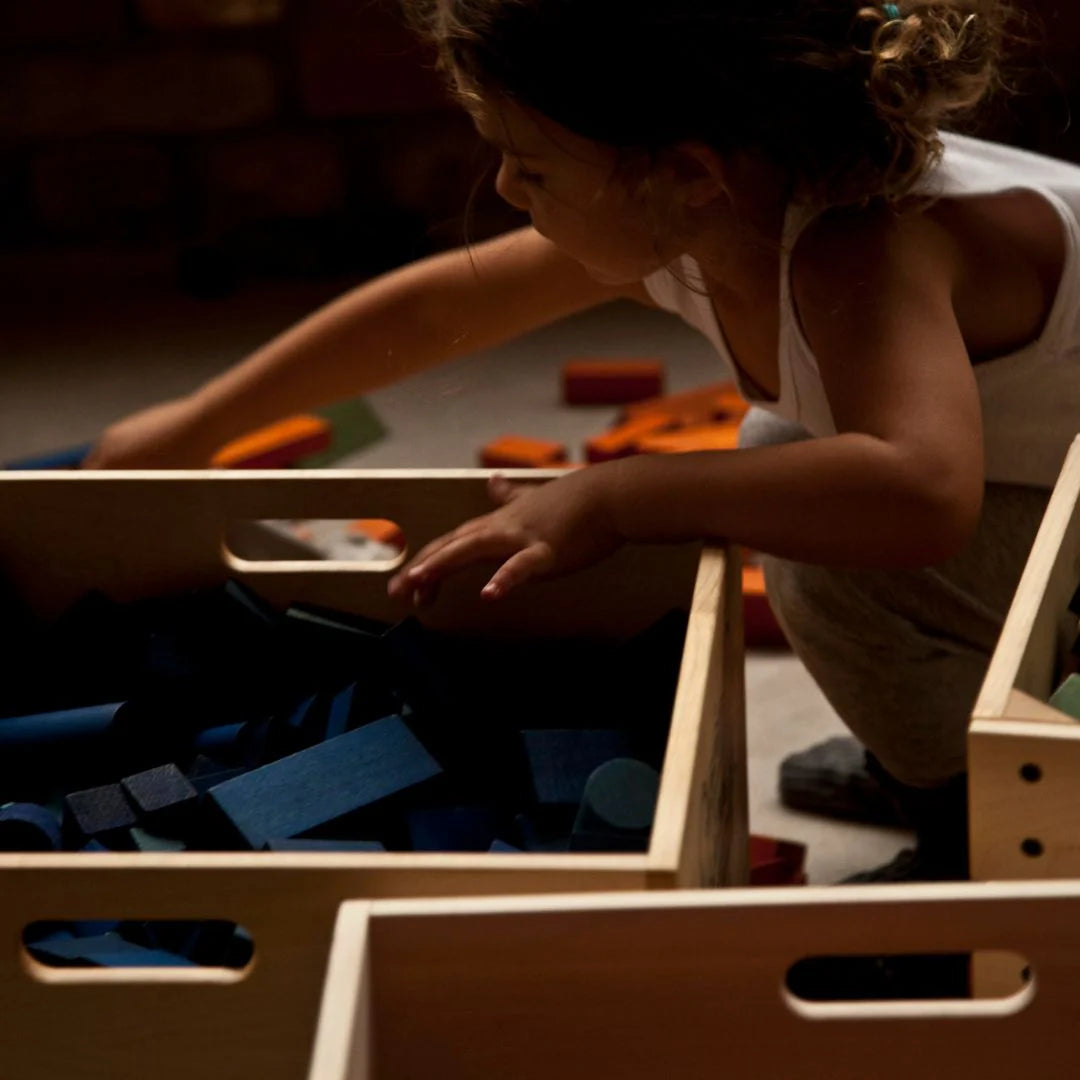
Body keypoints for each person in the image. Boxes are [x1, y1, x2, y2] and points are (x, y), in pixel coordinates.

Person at [84, 0, 1080, 881]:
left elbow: (923, 490)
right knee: (785, 449)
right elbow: (439, 311)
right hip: (1046, 462)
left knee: (822, 550)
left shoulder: (859, 247)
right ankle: (935, 727)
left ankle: (985, 838)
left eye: (531, 165)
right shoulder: (720, 193)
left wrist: (618, 495)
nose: (509, 192)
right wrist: (197, 425)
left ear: (683, 172)